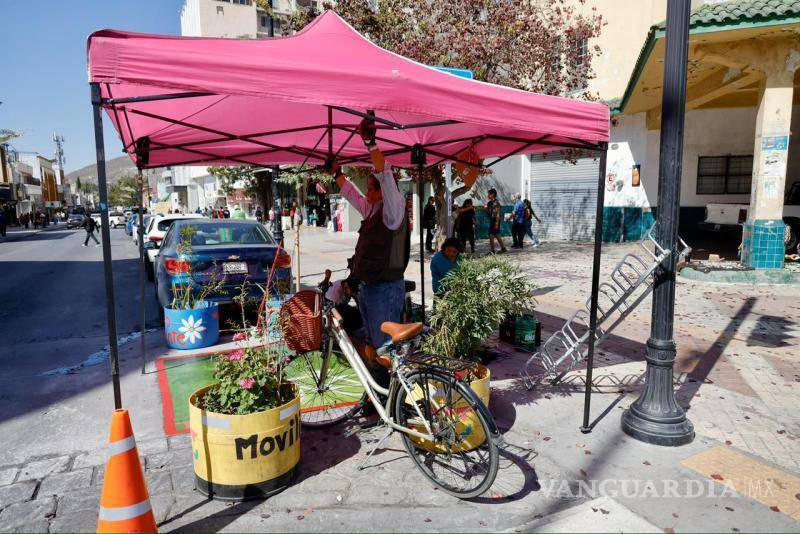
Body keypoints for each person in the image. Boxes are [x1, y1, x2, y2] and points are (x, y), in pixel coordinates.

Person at [323, 119, 409, 353]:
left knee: (385, 347)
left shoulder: (393, 208)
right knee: (372, 343)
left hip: (386, 287)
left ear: (381, 190)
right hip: (370, 286)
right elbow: (353, 195)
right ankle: (381, 384)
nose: (367, 193)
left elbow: (386, 178)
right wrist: (337, 175)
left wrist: (371, 144)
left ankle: (394, 386)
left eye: (371, 188)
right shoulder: (373, 208)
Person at [485, 188, 507, 254]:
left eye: (489, 194)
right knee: (496, 235)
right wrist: (475, 207)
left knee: (491, 235)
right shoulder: (490, 203)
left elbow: (498, 213)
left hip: (495, 221)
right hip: (492, 220)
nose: (488, 195)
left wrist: (497, 223)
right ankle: (503, 248)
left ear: (493, 194)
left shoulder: (496, 203)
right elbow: (485, 208)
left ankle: (493, 251)